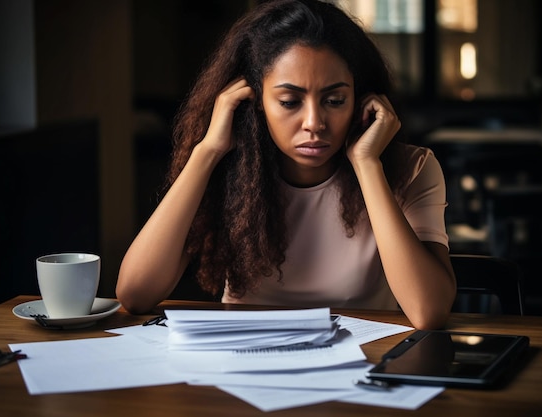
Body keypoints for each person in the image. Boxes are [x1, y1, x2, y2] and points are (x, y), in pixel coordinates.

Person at [116, 0, 456, 329]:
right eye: (290, 101)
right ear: (256, 102)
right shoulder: (231, 169)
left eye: (335, 100)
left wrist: (367, 165)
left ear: (361, 100)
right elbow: (135, 294)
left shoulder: (411, 168)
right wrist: (207, 152)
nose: (314, 122)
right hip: (244, 361)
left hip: (362, 364)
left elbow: (429, 312)